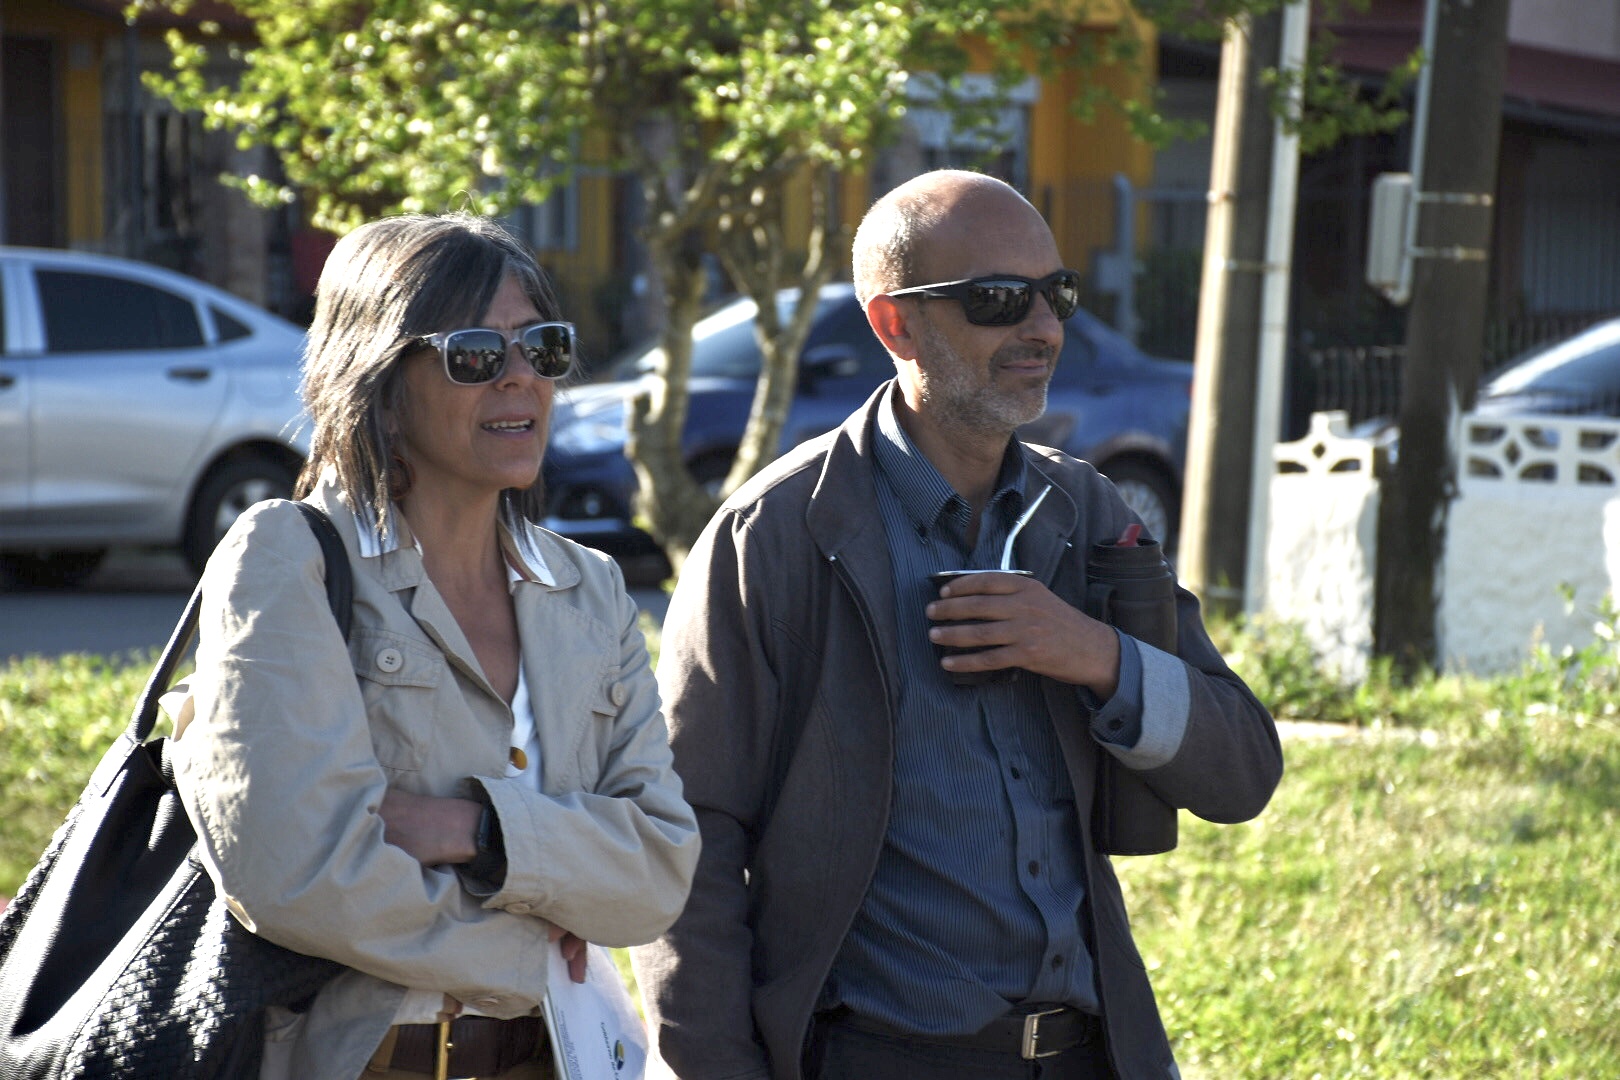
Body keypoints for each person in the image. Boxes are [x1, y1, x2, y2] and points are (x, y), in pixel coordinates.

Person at [631, 171, 1282, 1080]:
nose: (1045, 327)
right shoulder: (776, 536)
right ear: (894, 323)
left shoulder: (1085, 515)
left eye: (1056, 294)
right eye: (997, 300)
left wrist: (1097, 655)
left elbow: (1245, 769)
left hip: (1090, 1055)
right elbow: (685, 842)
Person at [171, 212, 699, 1080]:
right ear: (379, 378)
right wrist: (535, 948)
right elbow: (296, 875)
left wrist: (476, 829)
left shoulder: (590, 587)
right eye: (475, 356)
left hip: (557, 1060)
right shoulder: (289, 557)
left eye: (543, 347)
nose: (521, 379)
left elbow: (658, 869)